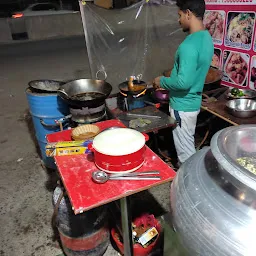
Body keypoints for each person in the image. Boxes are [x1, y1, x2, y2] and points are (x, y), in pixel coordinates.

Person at [153, 0, 214, 165]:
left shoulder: (188, 45)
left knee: (185, 154)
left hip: (182, 106)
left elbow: (183, 82)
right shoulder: (206, 38)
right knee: (188, 144)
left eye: (180, 15)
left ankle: (189, 185)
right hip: (193, 104)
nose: (178, 20)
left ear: (188, 13)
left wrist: (162, 81)